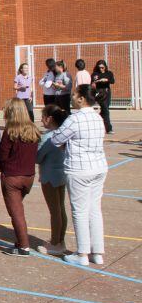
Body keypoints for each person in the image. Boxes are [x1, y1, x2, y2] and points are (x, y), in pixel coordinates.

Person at [49, 88, 107, 266]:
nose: (72, 98)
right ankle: (97, 252)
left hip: (80, 169)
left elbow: (56, 138)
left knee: (80, 211)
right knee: (94, 209)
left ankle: (82, 253)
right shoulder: (98, 117)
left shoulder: (75, 118)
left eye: (75, 95)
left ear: (81, 99)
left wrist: (67, 146)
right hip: (99, 167)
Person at [0, 98, 40, 256]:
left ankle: (23, 246)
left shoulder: (10, 131)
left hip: (12, 175)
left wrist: (3, 169)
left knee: (16, 212)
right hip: (29, 175)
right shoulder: (33, 129)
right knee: (17, 209)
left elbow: (2, 155)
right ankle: (20, 240)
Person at [35, 104, 69, 255]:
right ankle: (60, 239)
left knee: (54, 210)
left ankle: (55, 242)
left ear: (49, 118)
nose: (41, 120)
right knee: (60, 208)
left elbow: (38, 157)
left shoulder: (48, 137)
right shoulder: (63, 133)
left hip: (49, 176)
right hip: (61, 174)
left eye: (42, 116)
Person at [91, 60, 115, 133]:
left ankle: (96, 120)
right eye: (100, 68)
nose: (101, 69)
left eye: (102, 67)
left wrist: (106, 80)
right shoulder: (95, 74)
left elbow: (112, 81)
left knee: (105, 109)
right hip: (99, 92)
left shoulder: (109, 73)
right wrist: (97, 81)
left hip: (107, 92)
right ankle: (109, 128)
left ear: (105, 67)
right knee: (106, 110)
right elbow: (92, 82)